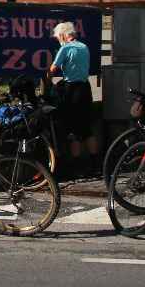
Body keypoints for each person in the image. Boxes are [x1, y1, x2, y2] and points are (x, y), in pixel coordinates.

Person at [48, 22, 100, 177]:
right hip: (85, 88)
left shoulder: (65, 48)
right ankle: (95, 164)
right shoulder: (84, 47)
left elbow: (53, 69)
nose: (59, 40)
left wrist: (48, 79)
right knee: (87, 129)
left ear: (63, 35)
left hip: (71, 90)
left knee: (73, 131)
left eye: (58, 38)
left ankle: (76, 167)